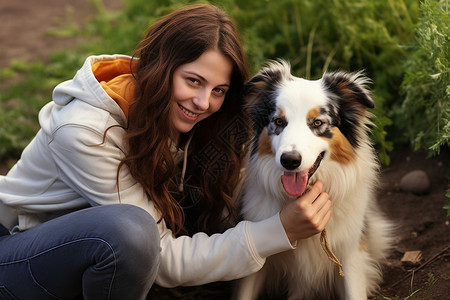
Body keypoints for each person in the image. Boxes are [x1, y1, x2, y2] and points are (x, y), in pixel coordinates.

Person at [0, 4, 332, 300]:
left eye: (218, 90)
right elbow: (162, 256)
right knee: (130, 233)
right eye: (193, 81)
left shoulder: (187, 116)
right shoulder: (84, 132)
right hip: (13, 252)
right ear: (161, 66)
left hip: (72, 251)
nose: (203, 103)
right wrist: (280, 230)